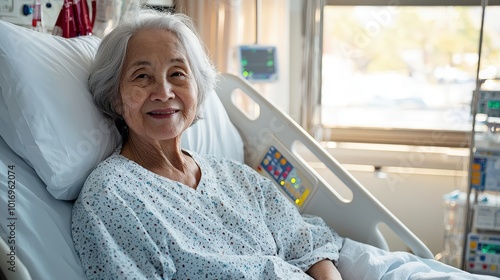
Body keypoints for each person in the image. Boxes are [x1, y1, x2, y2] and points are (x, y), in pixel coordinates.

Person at [72, 8, 497, 280]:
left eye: (178, 74)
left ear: (198, 90)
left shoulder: (234, 176)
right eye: (142, 76)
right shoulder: (112, 197)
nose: (163, 91)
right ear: (114, 95)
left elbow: (303, 244)